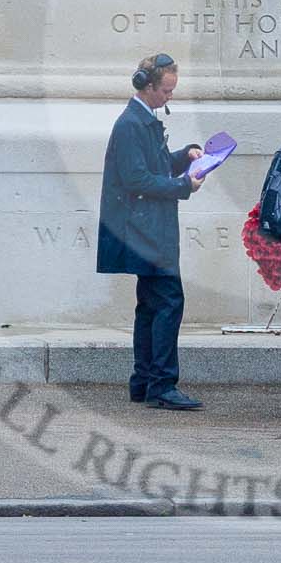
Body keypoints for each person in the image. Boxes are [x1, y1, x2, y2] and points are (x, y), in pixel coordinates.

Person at [97, 53, 207, 411]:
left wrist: (183, 156)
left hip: (147, 228)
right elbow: (136, 179)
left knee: (149, 307)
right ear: (146, 86)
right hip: (147, 231)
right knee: (170, 302)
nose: (169, 97)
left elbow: (150, 166)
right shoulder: (131, 124)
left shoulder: (140, 120)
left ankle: (144, 382)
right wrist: (184, 185)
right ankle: (161, 384)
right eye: (166, 90)